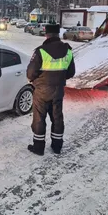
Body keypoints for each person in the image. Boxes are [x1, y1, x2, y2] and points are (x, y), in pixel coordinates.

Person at [27, 24, 76, 156]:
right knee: (57, 118)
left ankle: (38, 147)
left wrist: (36, 81)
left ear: (46, 34)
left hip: (42, 90)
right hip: (58, 90)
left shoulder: (41, 51)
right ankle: (57, 146)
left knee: (39, 119)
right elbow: (71, 72)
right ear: (58, 34)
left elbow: (30, 73)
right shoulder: (68, 51)